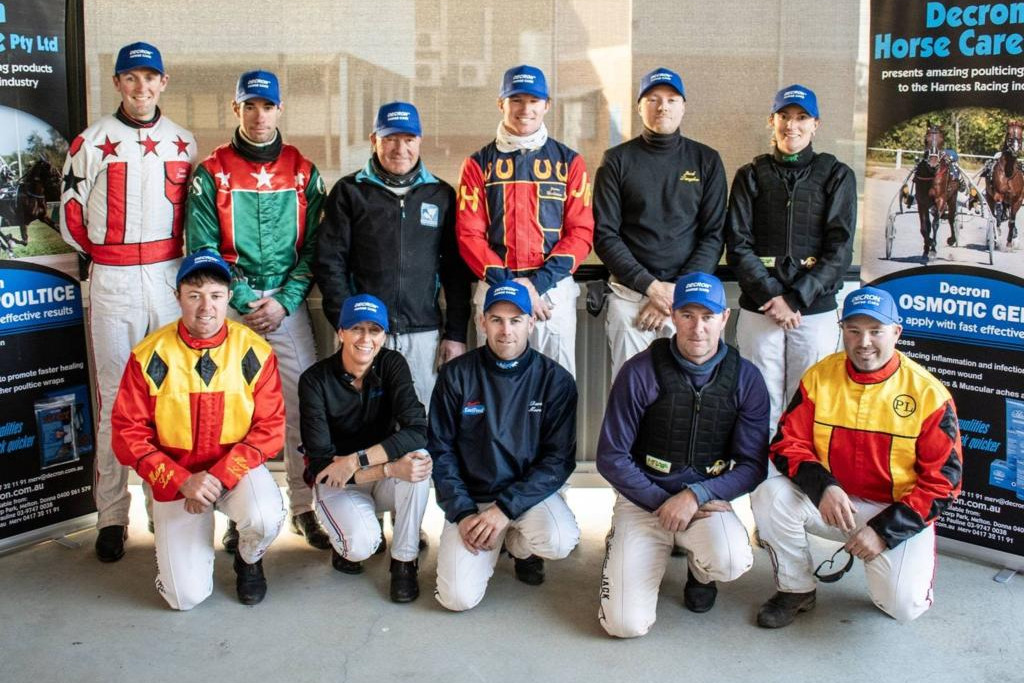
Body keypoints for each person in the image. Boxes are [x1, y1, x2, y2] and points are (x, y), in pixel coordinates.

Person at [751, 287, 962, 627]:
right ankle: (796, 589)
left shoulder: (928, 394)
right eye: (854, 330)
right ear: (842, 330)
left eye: (876, 331)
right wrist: (823, 487)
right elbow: (786, 443)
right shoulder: (820, 376)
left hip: (893, 510)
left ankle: (896, 558)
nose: (864, 342)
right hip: (832, 503)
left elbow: (943, 484)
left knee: (903, 607)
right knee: (769, 494)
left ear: (896, 332)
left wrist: (884, 531)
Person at [59, 41, 196, 562]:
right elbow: (71, 216)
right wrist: (107, 257)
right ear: (117, 83)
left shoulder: (183, 142)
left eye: (150, 77)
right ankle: (113, 515)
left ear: (164, 82)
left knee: (169, 394)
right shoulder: (91, 141)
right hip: (113, 279)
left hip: (166, 277)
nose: (141, 87)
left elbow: (194, 215)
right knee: (116, 397)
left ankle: (165, 503)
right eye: (131, 78)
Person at [186, 69, 329, 552]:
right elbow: (203, 247)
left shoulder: (303, 171)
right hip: (231, 310)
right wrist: (246, 300)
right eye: (250, 106)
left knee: (302, 407)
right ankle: (237, 510)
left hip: (287, 308)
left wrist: (284, 301)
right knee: (229, 413)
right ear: (237, 109)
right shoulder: (212, 172)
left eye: (267, 106)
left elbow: (316, 248)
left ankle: (304, 507)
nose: (259, 115)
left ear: (280, 110)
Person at [595, 272, 769, 637]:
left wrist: (695, 496)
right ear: (673, 316)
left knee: (731, 560)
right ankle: (631, 547)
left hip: (704, 502)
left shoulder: (746, 377)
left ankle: (701, 572)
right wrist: (662, 502)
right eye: (687, 315)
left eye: (708, 316)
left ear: (725, 317)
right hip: (644, 500)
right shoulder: (639, 371)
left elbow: (753, 465)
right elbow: (611, 456)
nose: (697, 328)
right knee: (624, 625)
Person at [110, 250, 286, 609]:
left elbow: (269, 429)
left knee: (265, 517)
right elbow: (127, 434)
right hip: (178, 480)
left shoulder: (254, 350)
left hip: (234, 473)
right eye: (194, 296)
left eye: (216, 296)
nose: (206, 307)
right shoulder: (149, 355)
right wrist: (181, 480)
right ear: (177, 297)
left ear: (228, 297)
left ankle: (249, 559)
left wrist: (217, 478)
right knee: (184, 597)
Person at [429, 280, 580, 611]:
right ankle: (491, 540)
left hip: (526, 499)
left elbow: (558, 460)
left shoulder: (555, 380)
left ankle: (518, 545)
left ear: (531, 322)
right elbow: (441, 452)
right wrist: (463, 513)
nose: (506, 330)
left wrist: (505, 510)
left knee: (560, 539)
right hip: (473, 501)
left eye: (515, 320)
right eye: (496, 319)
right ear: (482, 322)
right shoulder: (456, 375)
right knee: (457, 599)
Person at [314, 101, 472, 407]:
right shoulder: (349, 192)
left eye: (408, 139)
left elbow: (455, 271)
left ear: (420, 141)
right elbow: (330, 264)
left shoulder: (440, 195)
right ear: (374, 140)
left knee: (420, 421)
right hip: (365, 334)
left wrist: (455, 333)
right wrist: (348, 324)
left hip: (423, 334)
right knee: (361, 421)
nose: (400, 149)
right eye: (390, 139)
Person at [726, 84, 856, 435]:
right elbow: (737, 244)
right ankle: (762, 469)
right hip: (761, 310)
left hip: (813, 312)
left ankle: (801, 469)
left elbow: (840, 249)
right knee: (758, 404)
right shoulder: (750, 175)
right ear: (772, 121)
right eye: (784, 116)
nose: (792, 125)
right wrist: (772, 296)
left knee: (808, 405)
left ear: (816, 124)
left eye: (801, 117)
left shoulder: (837, 175)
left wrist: (796, 298)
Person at [455, 65, 594, 377]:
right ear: (501, 104)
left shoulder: (570, 162)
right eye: (516, 100)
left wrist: (537, 284)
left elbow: (581, 233)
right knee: (494, 387)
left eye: (533, 101)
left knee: (556, 385)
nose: (525, 109)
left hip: (552, 292)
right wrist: (510, 287)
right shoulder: (477, 164)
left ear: (547, 105)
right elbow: (468, 236)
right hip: (495, 288)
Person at [594, 67, 728, 379]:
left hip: (689, 299)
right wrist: (651, 287)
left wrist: (674, 292)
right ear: (640, 107)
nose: (662, 107)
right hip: (630, 298)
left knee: (686, 390)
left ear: (683, 106)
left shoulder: (706, 160)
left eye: (671, 99)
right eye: (653, 99)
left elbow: (713, 235)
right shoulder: (617, 160)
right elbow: (605, 235)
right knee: (631, 390)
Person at [299, 294, 432, 603]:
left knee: (419, 460)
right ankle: (346, 539)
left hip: (366, 470)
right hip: (339, 483)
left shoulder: (392, 364)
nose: (365, 338)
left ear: (383, 336)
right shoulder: (315, 380)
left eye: (374, 330)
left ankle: (404, 561)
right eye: (356, 329)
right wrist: (387, 467)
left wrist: (355, 461)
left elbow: (417, 431)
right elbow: (321, 466)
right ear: (340, 333)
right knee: (360, 547)